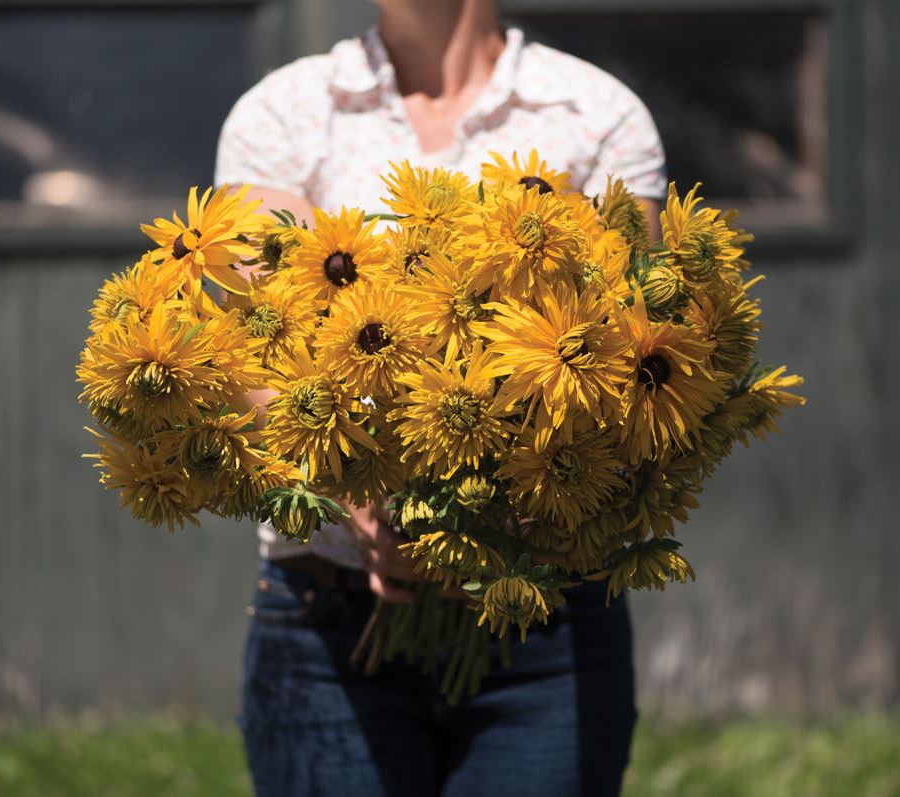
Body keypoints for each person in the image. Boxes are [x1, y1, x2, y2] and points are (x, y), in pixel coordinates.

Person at [213, 1, 667, 794]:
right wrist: (353, 492)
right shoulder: (283, 111)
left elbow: (634, 359)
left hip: (545, 615)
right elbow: (257, 350)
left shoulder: (595, 113)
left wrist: (500, 520)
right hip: (329, 617)